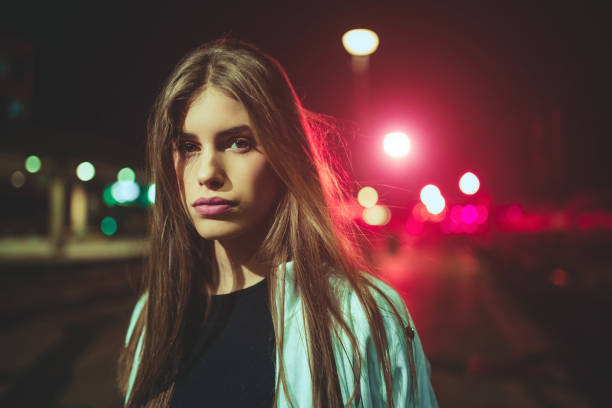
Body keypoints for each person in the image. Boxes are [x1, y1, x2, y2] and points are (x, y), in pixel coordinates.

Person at [117, 38, 438, 408]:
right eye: (189, 147)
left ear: (285, 154)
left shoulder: (365, 316)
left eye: (237, 142)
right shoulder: (154, 314)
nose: (207, 172)